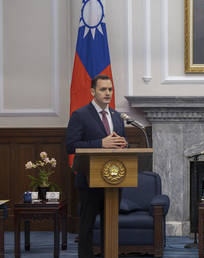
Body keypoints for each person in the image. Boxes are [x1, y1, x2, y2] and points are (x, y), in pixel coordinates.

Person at [66, 74, 128, 258]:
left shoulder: (117, 117)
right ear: (93, 91)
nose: (107, 93)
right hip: (89, 181)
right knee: (87, 227)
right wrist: (101, 143)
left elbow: (122, 144)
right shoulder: (80, 115)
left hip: (114, 180)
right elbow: (71, 145)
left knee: (110, 226)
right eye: (103, 89)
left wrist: (125, 144)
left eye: (110, 89)